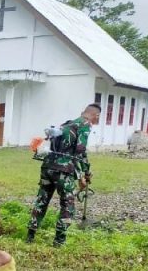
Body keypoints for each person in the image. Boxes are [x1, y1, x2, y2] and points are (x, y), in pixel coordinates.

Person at [26, 103, 100, 247]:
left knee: (42, 200)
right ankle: (59, 241)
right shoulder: (84, 125)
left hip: (47, 166)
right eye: (98, 118)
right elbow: (80, 151)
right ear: (95, 115)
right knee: (67, 204)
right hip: (64, 171)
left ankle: (30, 235)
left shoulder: (66, 124)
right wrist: (84, 174)